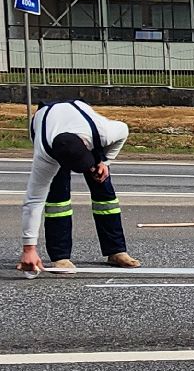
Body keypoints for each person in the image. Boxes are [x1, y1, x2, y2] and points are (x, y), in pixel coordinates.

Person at [16, 99, 140, 274]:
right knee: (57, 200)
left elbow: (124, 131)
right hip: (50, 130)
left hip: (80, 123)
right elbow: (33, 201)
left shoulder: (102, 132)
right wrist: (29, 249)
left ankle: (116, 251)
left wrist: (105, 162)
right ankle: (60, 257)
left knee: (104, 192)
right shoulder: (44, 154)